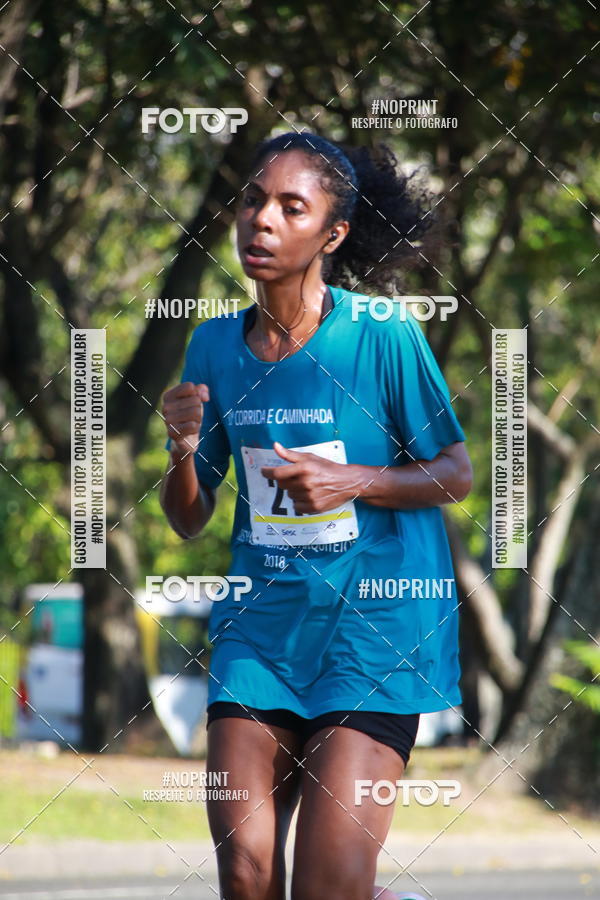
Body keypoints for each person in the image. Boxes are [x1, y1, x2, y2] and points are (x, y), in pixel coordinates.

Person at [160, 131, 472, 900]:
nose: (261, 219)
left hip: (375, 633)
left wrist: (352, 481)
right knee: (246, 873)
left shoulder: (384, 334)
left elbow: (456, 473)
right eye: (252, 200)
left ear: (332, 235)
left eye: (290, 207)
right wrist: (182, 452)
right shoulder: (212, 346)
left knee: (327, 888)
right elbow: (189, 519)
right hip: (261, 633)